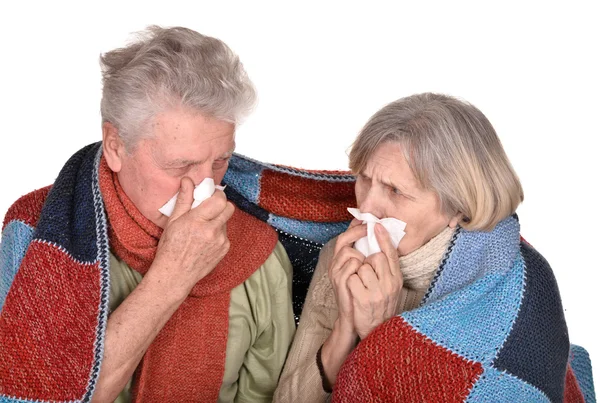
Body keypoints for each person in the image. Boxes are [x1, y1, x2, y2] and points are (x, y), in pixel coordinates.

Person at [0, 26, 295, 402]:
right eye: (179, 165)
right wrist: (173, 276)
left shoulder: (259, 257)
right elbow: (43, 395)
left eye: (221, 160)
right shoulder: (36, 233)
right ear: (115, 147)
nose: (205, 188)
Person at [274, 92, 593, 402]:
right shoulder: (343, 256)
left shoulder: (519, 284)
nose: (368, 206)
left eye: (395, 191)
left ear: (457, 207)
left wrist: (381, 334)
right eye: (364, 179)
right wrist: (345, 326)